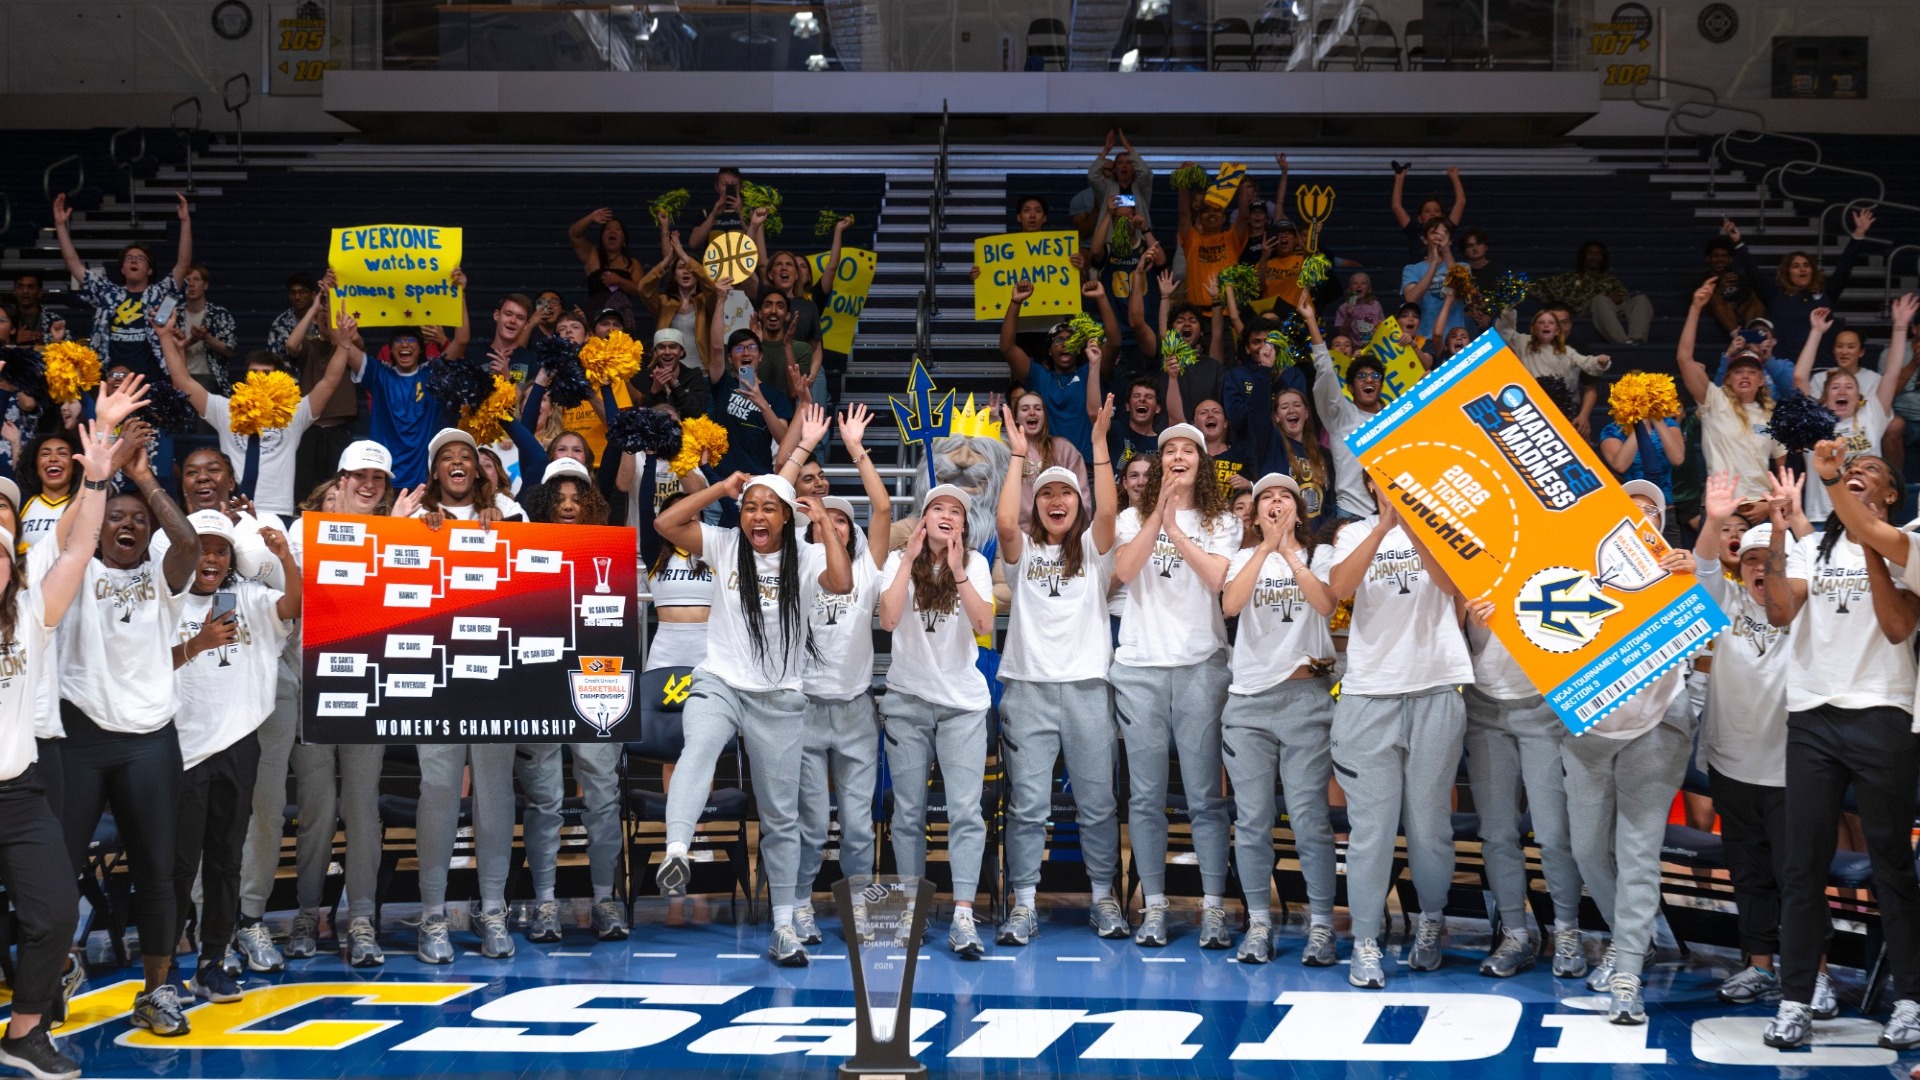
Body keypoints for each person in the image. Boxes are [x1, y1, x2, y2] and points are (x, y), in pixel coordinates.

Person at [651, 472, 849, 965]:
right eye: (750, 507)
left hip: (778, 697)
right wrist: (721, 490)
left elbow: (843, 583)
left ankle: (783, 926)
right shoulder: (721, 544)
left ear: (786, 516)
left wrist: (820, 514)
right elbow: (666, 522)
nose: (757, 515)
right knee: (697, 748)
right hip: (719, 680)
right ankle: (677, 848)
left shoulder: (805, 557)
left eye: (769, 508)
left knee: (781, 816)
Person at [1761, 444, 1920, 1050]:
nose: (1858, 472)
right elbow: (1778, 613)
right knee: (1802, 866)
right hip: (1813, 714)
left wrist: (1870, 543)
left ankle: (1909, 999)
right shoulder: (1810, 545)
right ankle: (1795, 1000)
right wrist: (1779, 536)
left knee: (1891, 863)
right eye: (1851, 469)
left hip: (1883, 711)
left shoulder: (1907, 540)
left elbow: (1897, 626)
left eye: (1872, 471)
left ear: (1889, 496)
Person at [57, 382, 202, 1036]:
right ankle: (52, 970)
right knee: (54, 867)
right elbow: (69, 537)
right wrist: (109, 474)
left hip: (150, 739)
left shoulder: (159, 577)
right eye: (117, 518)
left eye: (137, 522)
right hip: (81, 734)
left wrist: (147, 486)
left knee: (158, 870)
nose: (128, 526)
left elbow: (192, 550)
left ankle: (158, 989)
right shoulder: (77, 567)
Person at [1690, 471, 1837, 1014]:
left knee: (1798, 879)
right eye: (1750, 561)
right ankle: (1758, 966)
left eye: (1768, 561)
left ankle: (1814, 975)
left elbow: (1821, 563)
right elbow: (1705, 563)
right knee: (1749, 874)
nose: (1759, 569)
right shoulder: (1722, 602)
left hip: (1789, 771)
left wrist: (1789, 525)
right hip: (1731, 766)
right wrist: (1712, 515)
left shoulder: (1807, 611)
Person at [1556, 480, 1699, 1023]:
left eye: (1650, 511)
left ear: (1661, 524)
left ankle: (1627, 975)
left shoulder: (1682, 574)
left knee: (1637, 854)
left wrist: (1693, 575)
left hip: (1659, 725)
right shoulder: (1576, 572)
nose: (1639, 515)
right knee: (1589, 849)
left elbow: (1710, 614)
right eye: (1628, 508)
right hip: (1589, 729)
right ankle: (1629, 936)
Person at [1326, 473, 1471, 988]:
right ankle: (1366, 942)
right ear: (1369, 482)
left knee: (1430, 827)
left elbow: (1456, 584)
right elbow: (1338, 589)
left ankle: (1431, 919)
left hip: (1436, 687)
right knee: (1371, 831)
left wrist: (1412, 525)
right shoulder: (1351, 532)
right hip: (1370, 693)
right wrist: (1385, 523)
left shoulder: (1443, 527)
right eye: (1380, 478)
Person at [0, 415, 112, 1080]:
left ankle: (24, 1031)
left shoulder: (30, 620)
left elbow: (76, 549)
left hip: (17, 793)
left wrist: (95, 476)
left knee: (55, 914)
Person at [278, 442, 414, 970]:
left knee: (361, 809)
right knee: (316, 811)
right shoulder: (302, 530)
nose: (369, 485)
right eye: (360, 475)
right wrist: (369, 537)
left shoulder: (393, 531)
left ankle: (360, 918)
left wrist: (395, 533)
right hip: (312, 682)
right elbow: (316, 593)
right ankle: (309, 912)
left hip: (366, 686)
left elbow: (394, 597)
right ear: (339, 478)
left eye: (378, 478)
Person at [994, 394, 1123, 943]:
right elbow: (1003, 521)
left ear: (1078, 503)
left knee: (1097, 803)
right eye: (1045, 493)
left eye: (1064, 492)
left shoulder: (1095, 552)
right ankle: (1023, 904)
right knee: (1027, 807)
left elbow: (1112, 514)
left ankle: (1103, 899)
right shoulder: (1022, 549)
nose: (1054, 500)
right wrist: (1018, 459)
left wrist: (1097, 449)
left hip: (1089, 690)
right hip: (1027, 692)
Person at [1109, 423, 1240, 947]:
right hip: (1140, 666)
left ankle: (1212, 907)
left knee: (1205, 797)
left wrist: (1177, 529)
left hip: (1200, 665)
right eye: (1170, 449)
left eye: (1188, 449)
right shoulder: (1127, 517)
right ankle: (1156, 905)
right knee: (1144, 797)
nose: (1179, 455)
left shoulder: (1223, 520)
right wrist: (1156, 517)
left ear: (1201, 462)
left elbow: (1216, 580)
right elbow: (1123, 568)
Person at [167, 508, 300, 1003]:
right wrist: (199, 643)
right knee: (179, 866)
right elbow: (147, 666)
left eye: (221, 549)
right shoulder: (169, 600)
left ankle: (211, 962)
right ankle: (163, 974)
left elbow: (291, 605)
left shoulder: (247, 597)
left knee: (225, 861)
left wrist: (285, 557)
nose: (212, 557)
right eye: (202, 547)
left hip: (239, 743)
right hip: (181, 747)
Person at [407, 429, 526, 963]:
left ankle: (494, 908)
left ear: (478, 471)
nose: (456, 463)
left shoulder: (510, 514)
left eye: (465, 458)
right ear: (435, 473)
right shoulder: (413, 520)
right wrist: (413, 538)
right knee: (438, 788)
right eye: (445, 458)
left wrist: (509, 536)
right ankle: (433, 916)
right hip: (433, 672)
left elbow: (534, 587)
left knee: (495, 791)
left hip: (497, 672)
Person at [777, 405, 889, 945]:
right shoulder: (794, 560)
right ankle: (799, 903)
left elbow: (884, 507)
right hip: (804, 708)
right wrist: (812, 509)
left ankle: (858, 903)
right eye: (827, 518)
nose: (835, 522)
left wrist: (857, 450)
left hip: (855, 709)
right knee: (811, 823)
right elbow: (778, 487)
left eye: (844, 519)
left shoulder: (867, 567)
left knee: (859, 823)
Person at [1217, 473, 1337, 964]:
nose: (1275, 502)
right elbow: (1230, 604)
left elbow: (1326, 604)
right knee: (1252, 821)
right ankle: (1259, 924)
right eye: (1266, 497)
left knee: (1310, 820)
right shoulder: (1244, 556)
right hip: (1248, 703)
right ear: (1256, 509)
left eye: (1284, 496)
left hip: (1305, 698)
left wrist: (1289, 551)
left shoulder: (1319, 554)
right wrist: (1265, 548)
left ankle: (1323, 925)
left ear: (1297, 506)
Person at [877, 484, 996, 957]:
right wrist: (906, 561)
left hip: (963, 705)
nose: (947, 515)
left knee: (966, 811)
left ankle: (963, 914)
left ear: (963, 526)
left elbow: (984, 624)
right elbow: (887, 619)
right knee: (908, 812)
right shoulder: (895, 563)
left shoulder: (978, 566)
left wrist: (960, 571)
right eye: (937, 509)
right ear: (922, 520)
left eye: (955, 511)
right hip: (907, 702)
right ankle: (912, 908)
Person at [512, 458, 628, 943]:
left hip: (597, 681)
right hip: (538, 685)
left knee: (603, 795)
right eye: (558, 498)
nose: (566, 505)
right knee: (545, 800)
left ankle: (604, 901)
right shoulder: (521, 550)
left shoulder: (611, 550)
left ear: (591, 503)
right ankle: (543, 903)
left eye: (576, 497)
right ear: (542, 502)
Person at [1461, 595, 1587, 980]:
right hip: (1483, 706)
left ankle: (1567, 932)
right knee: (1496, 832)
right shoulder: (1462, 555)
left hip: (1544, 702)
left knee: (1553, 833)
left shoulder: (1543, 544)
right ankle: (1515, 934)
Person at [158, 311, 352, 517]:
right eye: (253, 374)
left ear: (281, 378)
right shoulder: (226, 409)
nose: (259, 379)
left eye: (266, 374)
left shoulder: (295, 412)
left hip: (279, 510)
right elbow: (182, 381)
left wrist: (344, 345)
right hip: (234, 509)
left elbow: (330, 381)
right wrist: (164, 337)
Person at [51, 192, 191, 379]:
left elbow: (183, 264)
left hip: (151, 380)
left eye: (140, 259)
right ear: (123, 269)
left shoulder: (159, 293)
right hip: (112, 380)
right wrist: (60, 226)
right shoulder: (108, 293)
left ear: (149, 270)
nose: (134, 261)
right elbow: (74, 264)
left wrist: (185, 222)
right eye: (129, 258)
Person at [1679, 277, 1786, 502]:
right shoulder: (1714, 401)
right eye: (1738, 371)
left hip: (1760, 508)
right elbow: (1684, 358)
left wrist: (1769, 507)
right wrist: (1696, 308)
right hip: (1722, 507)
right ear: (1727, 378)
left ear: (1761, 380)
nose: (1745, 375)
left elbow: (1782, 471)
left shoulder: (1773, 414)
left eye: (1752, 371)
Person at [1795, 304, 1903, 528]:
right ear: (1824, 397)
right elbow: (1799, 377)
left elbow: (1892, 374)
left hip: (1867, 514)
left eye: (1849, 387)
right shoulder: (1816, 420)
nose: (1842, 391)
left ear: (1859, 397)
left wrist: (1900, 326)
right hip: (1822, 517)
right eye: (1835, 388)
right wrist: (1816, 331)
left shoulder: (1871, 414)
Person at [998, 279, 1121, 464]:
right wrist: (1016, 302)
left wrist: (1102, 297)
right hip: (1048, 466)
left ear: (1079, 349)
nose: (1064, 344)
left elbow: (1114, 343)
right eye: (1058, 340)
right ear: (1049, 350)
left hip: (1087, 467)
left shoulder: (1091, 371)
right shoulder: (1038, 376)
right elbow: (1007, 348)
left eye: (1070, 340)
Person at [1728, 211, 1873, 359]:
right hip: (1784, 369)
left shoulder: (1826, 293)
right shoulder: (1775, 296)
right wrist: (1738, 243)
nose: (1802, 269)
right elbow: (1753, 273)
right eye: (1796, 266)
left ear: (1812, 270)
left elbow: (1844, 268)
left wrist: (1858, 234)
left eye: (1806, 265)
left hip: (1820, 367)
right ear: (1787, 272)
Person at [1305, 300, 1384, 519]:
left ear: (1381, 385)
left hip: (1391, 516)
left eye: (1375, 376)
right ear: (1350, 387)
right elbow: (1326, 371)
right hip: (1350, 515)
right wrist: (1311, 319)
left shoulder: (1394, 419)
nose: (1369, 379)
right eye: (1362, 376)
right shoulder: (1341, 416)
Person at [1497, 306, 1610, 435]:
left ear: (1557, 330)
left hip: (1563, 408)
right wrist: (1507, 311)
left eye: (1550, 323)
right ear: (1534, 328)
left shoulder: (1568, 351)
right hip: (1531, 406)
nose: (1546, 326)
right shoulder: (1523, 342)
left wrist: (1600, 362)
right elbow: (1505, 331)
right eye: (1541, 322)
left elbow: (1587, 363)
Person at [1536, 241, 1654, 345]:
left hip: (1612, 310)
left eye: (1598, 254)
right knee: (1600, 300)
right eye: (1591, 253)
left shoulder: (1610, 279)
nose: (1595, 257)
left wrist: (1616, 298)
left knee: (1641, 299)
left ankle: (1637, 339)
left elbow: (1622, 295)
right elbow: (1539, 287)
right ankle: (1624, 342)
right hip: (1587, 308)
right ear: (1583, 256)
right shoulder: (1569, 278)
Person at [1006, 389, 1088, 531]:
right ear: (1016, 418)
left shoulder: (1064, 449)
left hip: (1058, 534)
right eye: (1025, 409)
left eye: (1038, 408)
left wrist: (1075, 533)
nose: (1032, 413)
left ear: (1044, 416)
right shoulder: (1004, 451)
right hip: (1017, 536)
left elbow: (1083, 498)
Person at [1176, 167, 1252, 310]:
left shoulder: (1231, 239)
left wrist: (1241, 185)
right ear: (1199, 217)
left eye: (1217, 211)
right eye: (1206, 211)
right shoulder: (1192, 239)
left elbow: (1244, 216)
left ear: (1224, 218)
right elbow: (1184, 213)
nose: (1211, 214)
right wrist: (1183, 180)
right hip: (1198, 315)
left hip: (1227, 314)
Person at [567, 208, 641, 325]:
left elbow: (640, 291)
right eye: (608, 229)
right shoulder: (592, 255)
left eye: (617, 229)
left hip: (623, 319)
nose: (612, 231)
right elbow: (574, 234)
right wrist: (591, 218)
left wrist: (619, 281)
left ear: (624, 239)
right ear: (602, 237)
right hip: (596, 317)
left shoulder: (632, 263)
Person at [1401, 218, 1468, 340]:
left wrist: (1447, 253)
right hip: (1424, 339)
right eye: (1434, 233)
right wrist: (1434, 264)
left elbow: (1465, 291)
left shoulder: (1462, 267)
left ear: (1450, 240)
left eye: (1444, 233)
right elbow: (1411, 299)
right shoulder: (1412, 269)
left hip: (1454, 338)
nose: (1439, 237)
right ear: (1425, 239)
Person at [177, 265, 236, 396]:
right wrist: (191, 341)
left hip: (210, 377)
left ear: (205, 285)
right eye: (187, 280)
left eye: (196, 279)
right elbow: (166, 352)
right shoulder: (174, 315)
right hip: (180, 376)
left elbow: (229, 351)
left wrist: (206, 338)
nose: (191, 284)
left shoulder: (220, 314)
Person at [1389, 163, 1466, 262]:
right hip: (1420, 276)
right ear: (1420, 218)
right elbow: (1396, 207)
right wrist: (1399, 178)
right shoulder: (1414, 230)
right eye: (1427, 211)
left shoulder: (1448, 228)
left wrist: (1454, 177)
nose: (1432, 214)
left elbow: (1461, 202)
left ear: (1442, 216)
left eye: (1436, 211)